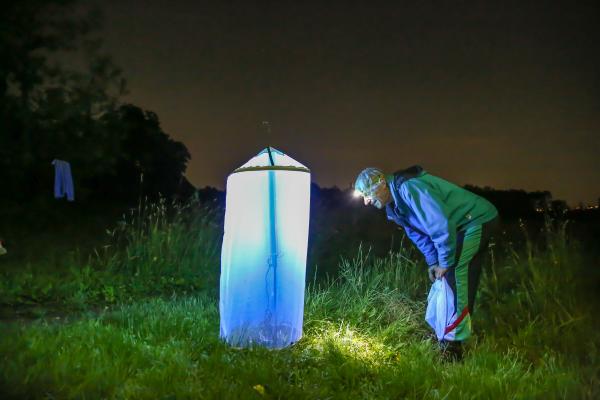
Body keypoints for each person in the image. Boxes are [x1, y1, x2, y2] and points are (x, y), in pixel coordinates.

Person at [354, 166, 499, 360]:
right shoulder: (393, 206)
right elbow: (418, 234)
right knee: (458, 280)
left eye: (367, 194)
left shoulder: (410, 188)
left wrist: (445, 262)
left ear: (381, 184)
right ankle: (453, 332)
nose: (366, 201)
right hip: (460, 226)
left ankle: (451, 348)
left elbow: (440, 224)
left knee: (452, 273)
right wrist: (433, 261)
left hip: (474, 221)